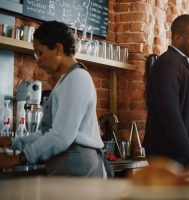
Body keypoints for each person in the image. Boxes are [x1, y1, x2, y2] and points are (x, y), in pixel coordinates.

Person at [0, 21, 111, 178]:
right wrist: (13, 142)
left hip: (79, 169)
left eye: (40, 53)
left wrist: (18, 158)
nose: (38, 60)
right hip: (69, 168)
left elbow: (60, 137)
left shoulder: (77, 78)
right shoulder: (66, 81)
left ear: (58, 49)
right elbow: (47, 133)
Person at [143, 14, 189, 169]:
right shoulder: (168, 64)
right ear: (177, 38)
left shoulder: (184, 64)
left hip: (185, 149)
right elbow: (171, 116)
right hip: (171, 153)